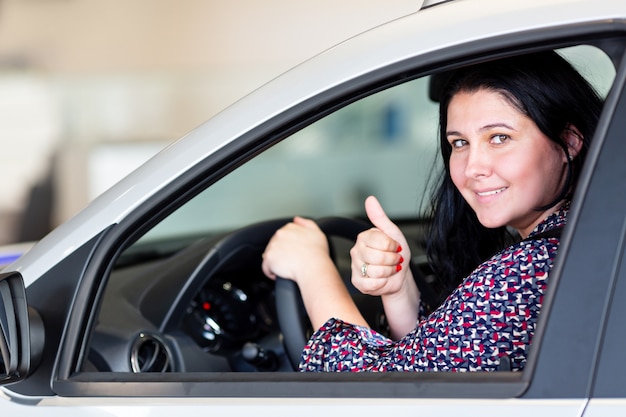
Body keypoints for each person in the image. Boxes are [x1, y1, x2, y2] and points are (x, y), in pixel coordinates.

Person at [261, 50, 604, 372]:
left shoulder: (532, 269)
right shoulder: (581, 242)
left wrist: (312, 268)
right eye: (460, 143)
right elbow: (446, 368)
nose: (473, 167)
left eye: (499, 138)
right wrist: (399, 288)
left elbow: (379, 395)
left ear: (569, 142)